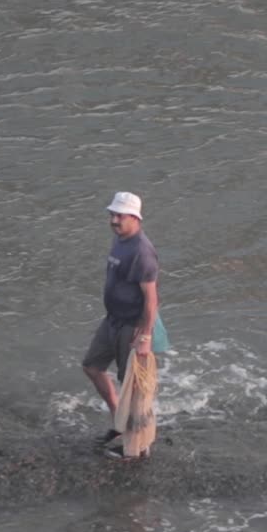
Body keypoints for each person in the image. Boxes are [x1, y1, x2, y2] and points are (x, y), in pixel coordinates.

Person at [82, 191, 159, 450]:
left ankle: (138, 447)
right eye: (112, 215)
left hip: (132, 326)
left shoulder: (142, 252)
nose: (114, 220)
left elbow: (151, 299)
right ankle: (119, 420)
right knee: (92, 366)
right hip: (112, 321)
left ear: (135, 218)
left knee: (134, 387)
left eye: (120, 216)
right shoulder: (120, 240)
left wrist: (145, 336)